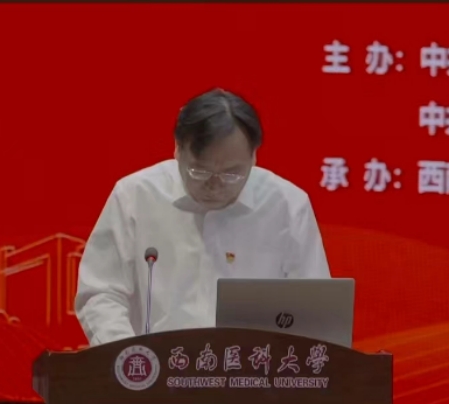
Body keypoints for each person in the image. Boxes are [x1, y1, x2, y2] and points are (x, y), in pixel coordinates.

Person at [75, 88, 330, 346]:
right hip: (156, 365)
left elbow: (314, 308)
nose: (215, 185)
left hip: (253, 367)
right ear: (177, 149)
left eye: (232, 173)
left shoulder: (287, 205)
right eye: (200, 171)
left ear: (254, 155)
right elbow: (101, 292)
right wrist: (129, 356)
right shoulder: (135, 196)